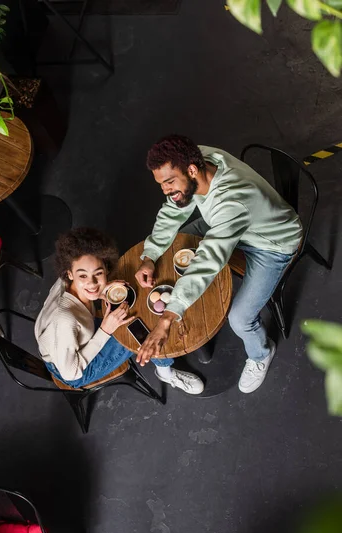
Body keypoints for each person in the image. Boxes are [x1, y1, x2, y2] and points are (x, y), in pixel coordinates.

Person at [135, 135, 302, 393]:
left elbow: (209, 259)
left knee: (239, 318)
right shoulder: (197, 157)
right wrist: (150, 255)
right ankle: (188, 293)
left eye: (169, 182)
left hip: (272, 244)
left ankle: (260, 354)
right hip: (232, 223)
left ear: (191, 170)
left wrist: (168, 318)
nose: (166, 191)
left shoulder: (232, 200)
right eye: (161, 184)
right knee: (182, 241)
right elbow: (172, 210)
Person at [35, 227, 204, 394]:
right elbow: (70, 372)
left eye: (98, 273)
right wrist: (105, 330)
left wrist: (102, 291)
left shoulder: (67, 284)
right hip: (75, 368)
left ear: (106, 268)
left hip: (67, 342)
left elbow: (87, 290)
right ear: (69, 274)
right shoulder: (65, 320)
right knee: (147, 330)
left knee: (135, 314)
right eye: (83, 276)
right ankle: (165, 374)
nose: (92, 283)